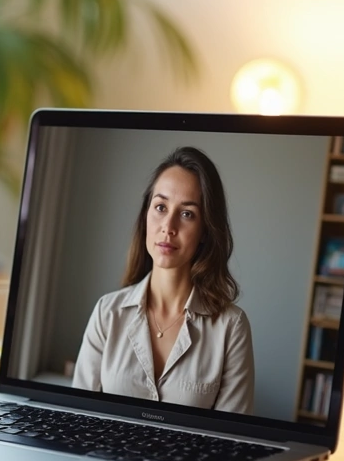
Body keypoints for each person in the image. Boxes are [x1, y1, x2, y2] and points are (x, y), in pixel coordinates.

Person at [72, 147, 255, 414]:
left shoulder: (231, 328)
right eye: (160, 207)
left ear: (205, 230)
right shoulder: (107, 313)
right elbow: (78, 417)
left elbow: (232, 439)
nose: (168, 227)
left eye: (187, 214)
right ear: (146, 214)